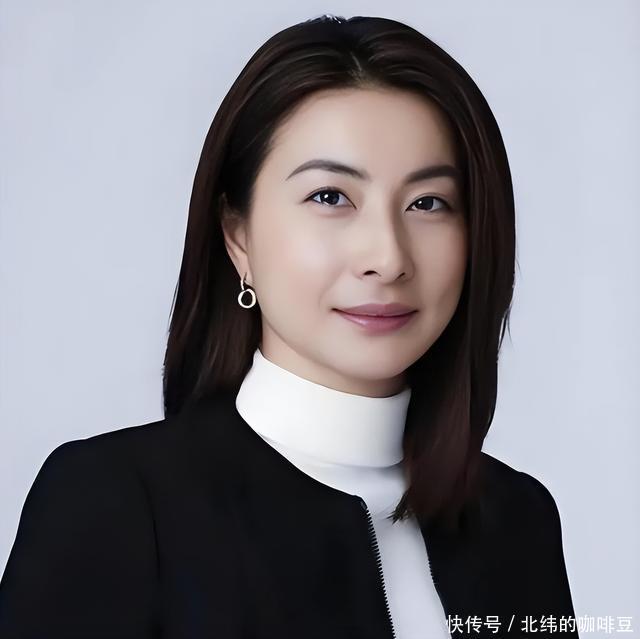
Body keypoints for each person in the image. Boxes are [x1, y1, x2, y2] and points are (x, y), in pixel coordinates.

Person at [0, 13, 579, 639]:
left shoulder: (518, 520)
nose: (387, 257)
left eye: (428, 203)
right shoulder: (114, 503)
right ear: (238, 236)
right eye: (330, 197)